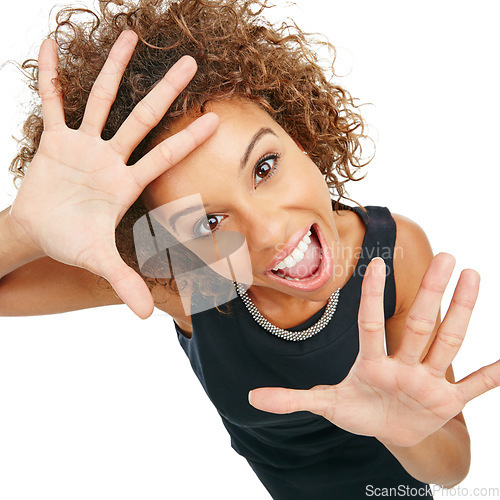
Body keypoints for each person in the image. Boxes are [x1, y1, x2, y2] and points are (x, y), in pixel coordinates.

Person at [0, 0, 499, 498]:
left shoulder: (391, 257)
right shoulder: (191, 275)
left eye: (264, 167)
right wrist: (24, 227)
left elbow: (452, 468)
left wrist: (406, 432)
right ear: (174, 239)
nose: (266, 233)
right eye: (209, 221)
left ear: (299, 136)